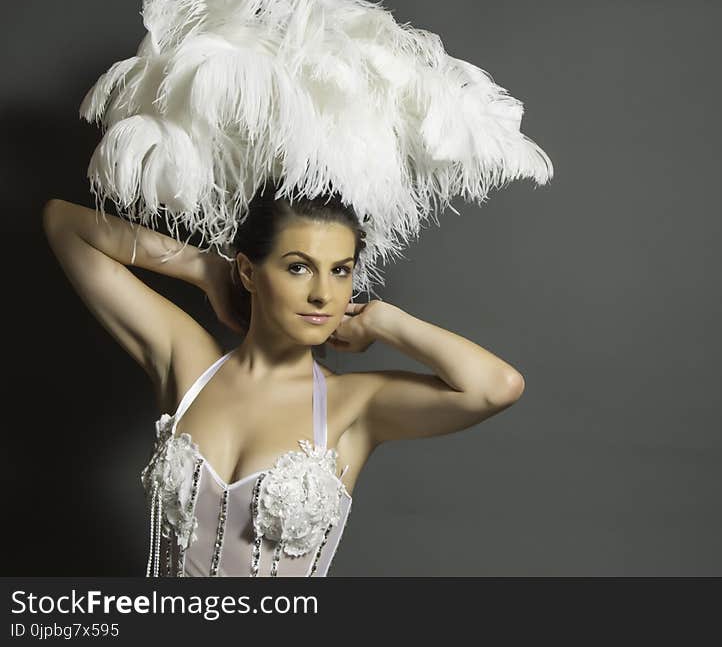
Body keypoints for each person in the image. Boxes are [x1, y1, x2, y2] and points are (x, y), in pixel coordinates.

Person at [42, 185, 525, 576]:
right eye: (299, 267)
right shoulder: (190, 367)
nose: (322, 294)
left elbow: (496, 385)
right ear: (251, 271)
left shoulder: (353, 406)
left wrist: (384, 321)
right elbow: (64, 223)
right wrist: (208, 270)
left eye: (340, 271)